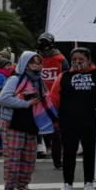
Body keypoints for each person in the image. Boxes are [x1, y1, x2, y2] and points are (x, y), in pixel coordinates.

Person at [49, 48, 96, 190]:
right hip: (69, 121)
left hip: (92, 121)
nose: (78, 62)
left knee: (90, 152)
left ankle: (89, 182)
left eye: (81, 59)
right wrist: (55, 119)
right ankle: (67, 184)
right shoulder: (63, 77)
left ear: (89, 59)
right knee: (68, 153)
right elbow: (54, 99)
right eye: (74, 59)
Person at [0, 52, 52, 190]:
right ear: (24, 64)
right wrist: (26, 103)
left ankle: (22, 185)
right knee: (13, 155)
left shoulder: (38, 81)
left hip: (30, 121)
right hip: (12, 121)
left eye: (39, 63)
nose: (36, 66)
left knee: (29, 155)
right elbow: (3, 98)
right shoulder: (15, 79)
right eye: (32, 63)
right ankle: (10, 187)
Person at [36, 33, 69, 168]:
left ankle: (57, 160)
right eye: (42, 49)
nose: (45, 51)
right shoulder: (34, 58)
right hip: (37, 99)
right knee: (35, 129)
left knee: (56, 131)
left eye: (47, 48)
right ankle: (32, 157)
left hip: (55, 99)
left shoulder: (61, 59)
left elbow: (67, 77)